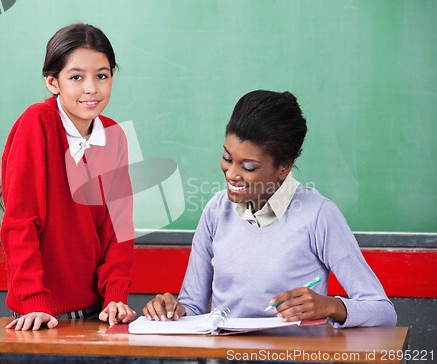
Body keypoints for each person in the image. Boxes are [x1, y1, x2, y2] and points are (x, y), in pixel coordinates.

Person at [143, 90, 397, 328]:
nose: (232, 174)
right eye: (228, 158)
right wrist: (172, 309)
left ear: (284, 166)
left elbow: (383, 311)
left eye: (249, 166)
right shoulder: (216, 211)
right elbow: (192, 306)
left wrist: (331, 306)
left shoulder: (318, 215)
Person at [0, 23, 136, 331]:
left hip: (99, 310)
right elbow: (19, 224)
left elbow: (118, 228)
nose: (91, 88)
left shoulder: (115, 136)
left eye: (102, 75)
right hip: (41, 313)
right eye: (76, 77)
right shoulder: (37, 123)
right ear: (52, 82)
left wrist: (115, 297)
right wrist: (34, 302)